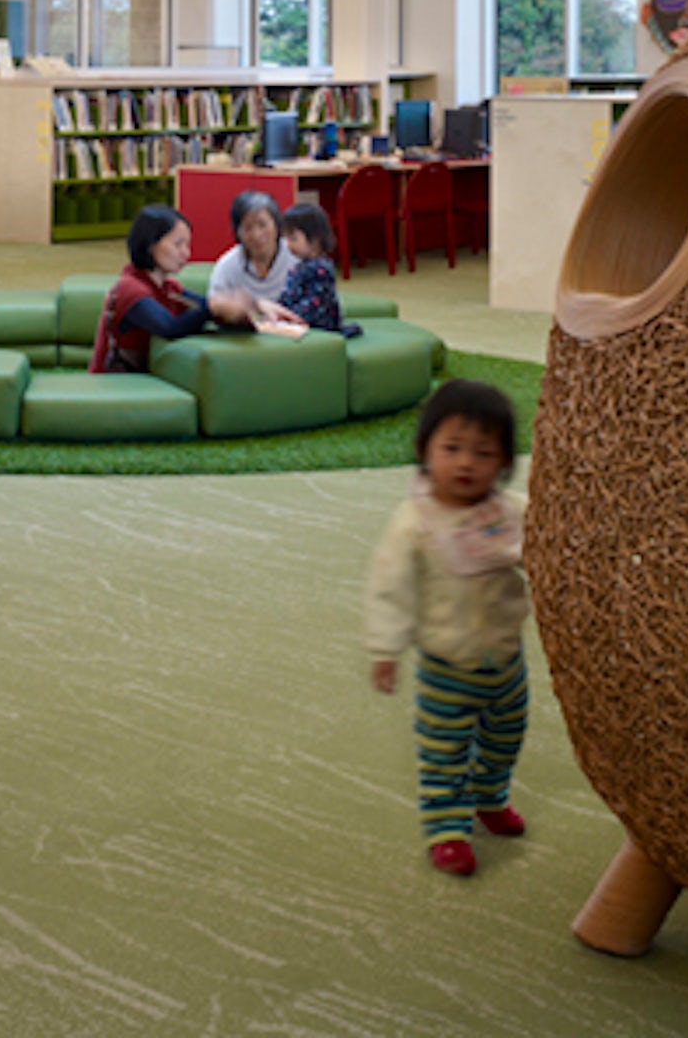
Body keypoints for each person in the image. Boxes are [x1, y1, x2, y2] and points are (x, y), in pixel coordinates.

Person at [364, 379, 529, 878]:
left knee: (506, 738)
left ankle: (489, 798)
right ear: (424, 451)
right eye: (452, 448)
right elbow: (389, 585)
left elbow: (546, 544)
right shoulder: (415, 521)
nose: (465, 463)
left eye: (483, 453)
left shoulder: (509, 512)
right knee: (444, 753)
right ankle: (447, 829)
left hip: (505, 661)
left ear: (502, 462)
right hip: (446, 667)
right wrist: (386, 648)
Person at [90, 205, 258, 373]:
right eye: (178, 245)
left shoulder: (169, 288)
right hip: (115, 382)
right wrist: (214, 307)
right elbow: (170, 328)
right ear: (150, 244)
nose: (186, 253)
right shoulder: (129, 288)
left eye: (187, 245)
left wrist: (239, 309)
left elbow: (203, 308)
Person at [272, 203, 359, 336]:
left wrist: (291, 317)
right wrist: (278, 311)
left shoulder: (321, 270)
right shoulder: (300, 266)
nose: (288, 245)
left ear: (315, 240)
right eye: (286, 239)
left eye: (294, 239)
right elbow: (288, 295)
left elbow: (315, 304)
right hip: (299, 320)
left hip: (319, 326)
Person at [207, 190, 297, 314]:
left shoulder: (296, 256)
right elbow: (215, 305)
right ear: (237, 232)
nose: (256, 235)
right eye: (248, 228)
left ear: (276, 224)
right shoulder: (227, 265)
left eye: (262, 225)